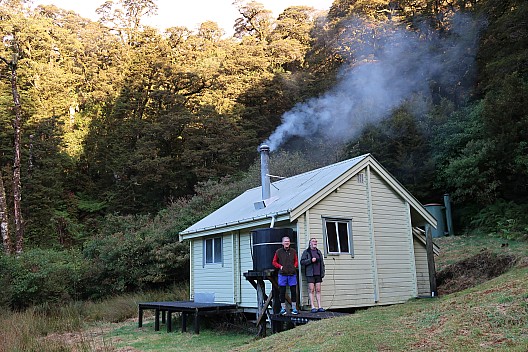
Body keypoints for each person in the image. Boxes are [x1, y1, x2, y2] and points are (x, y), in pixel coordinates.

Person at [272, 236, 299, 315]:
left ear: (290, 243)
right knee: (282, 292)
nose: (287, 243)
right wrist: (280, 267)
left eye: (288, 241)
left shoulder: (293, 251)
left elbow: (296, 261)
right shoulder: (278, 251)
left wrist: (294, 266)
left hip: (292, 274)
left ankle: (294, 308)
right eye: (285, 241)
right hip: (282, 274)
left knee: (293, 291)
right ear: (282, 243)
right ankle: (283, 308)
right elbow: (274, 262)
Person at [300, 238, 325, 313]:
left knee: (318, 290)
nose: (315, 243)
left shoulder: (318, 252)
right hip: (310, 274)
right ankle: (313, 306)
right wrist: (310, 260)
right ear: (310, 243)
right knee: (311, 290)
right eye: (313, 241)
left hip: (318, 273)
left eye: (316, 241)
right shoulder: (306, 252)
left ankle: (319, 306)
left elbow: (322, 263)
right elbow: (302, 262)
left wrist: (323, 272)